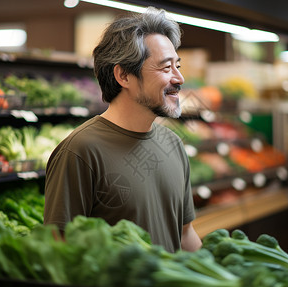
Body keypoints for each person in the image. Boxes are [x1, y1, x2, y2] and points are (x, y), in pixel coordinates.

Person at [44, 7, 202, 253]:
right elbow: (58, 250)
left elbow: (184, 235)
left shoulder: (173, 143)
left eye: (177, 65)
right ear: (124, 75)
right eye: (165, 67)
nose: (179, 78)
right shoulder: (80, 151)